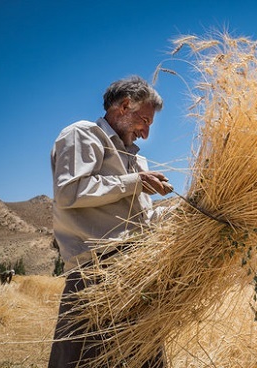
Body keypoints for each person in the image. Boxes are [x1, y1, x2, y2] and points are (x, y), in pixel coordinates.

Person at [48, 76, 172, 368]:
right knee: (86, 360)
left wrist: (185, 213)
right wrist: (135, 182)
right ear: (124, 106)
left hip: (135, 274)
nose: (145, 132)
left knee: (143, 358)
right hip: (96, 274)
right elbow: (70, 192)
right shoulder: (84, 135)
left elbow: (145, 219)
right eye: (144, 120)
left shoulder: (137, 161)